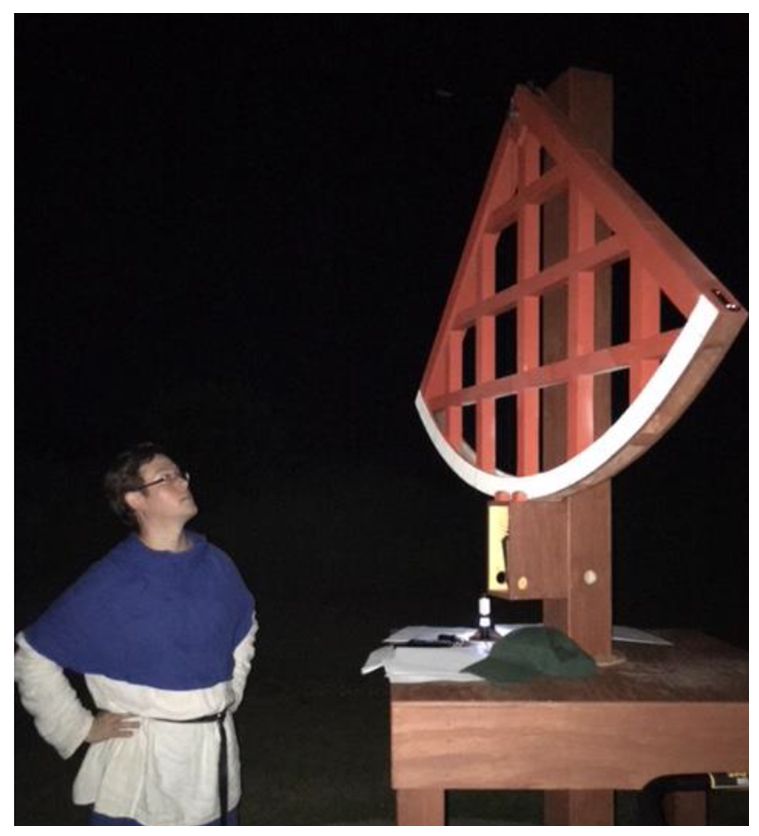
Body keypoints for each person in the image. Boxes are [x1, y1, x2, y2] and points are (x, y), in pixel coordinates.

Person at [15, 442, 258, 825]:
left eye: (181, 474)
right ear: (135, 499)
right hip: (145, 768)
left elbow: (244, 627)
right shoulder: (110, 582)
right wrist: (78, 727)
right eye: (166, 478)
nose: (182, 482)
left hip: (214, 761)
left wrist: (231, 691)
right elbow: (32, 655)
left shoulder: (216, 564)